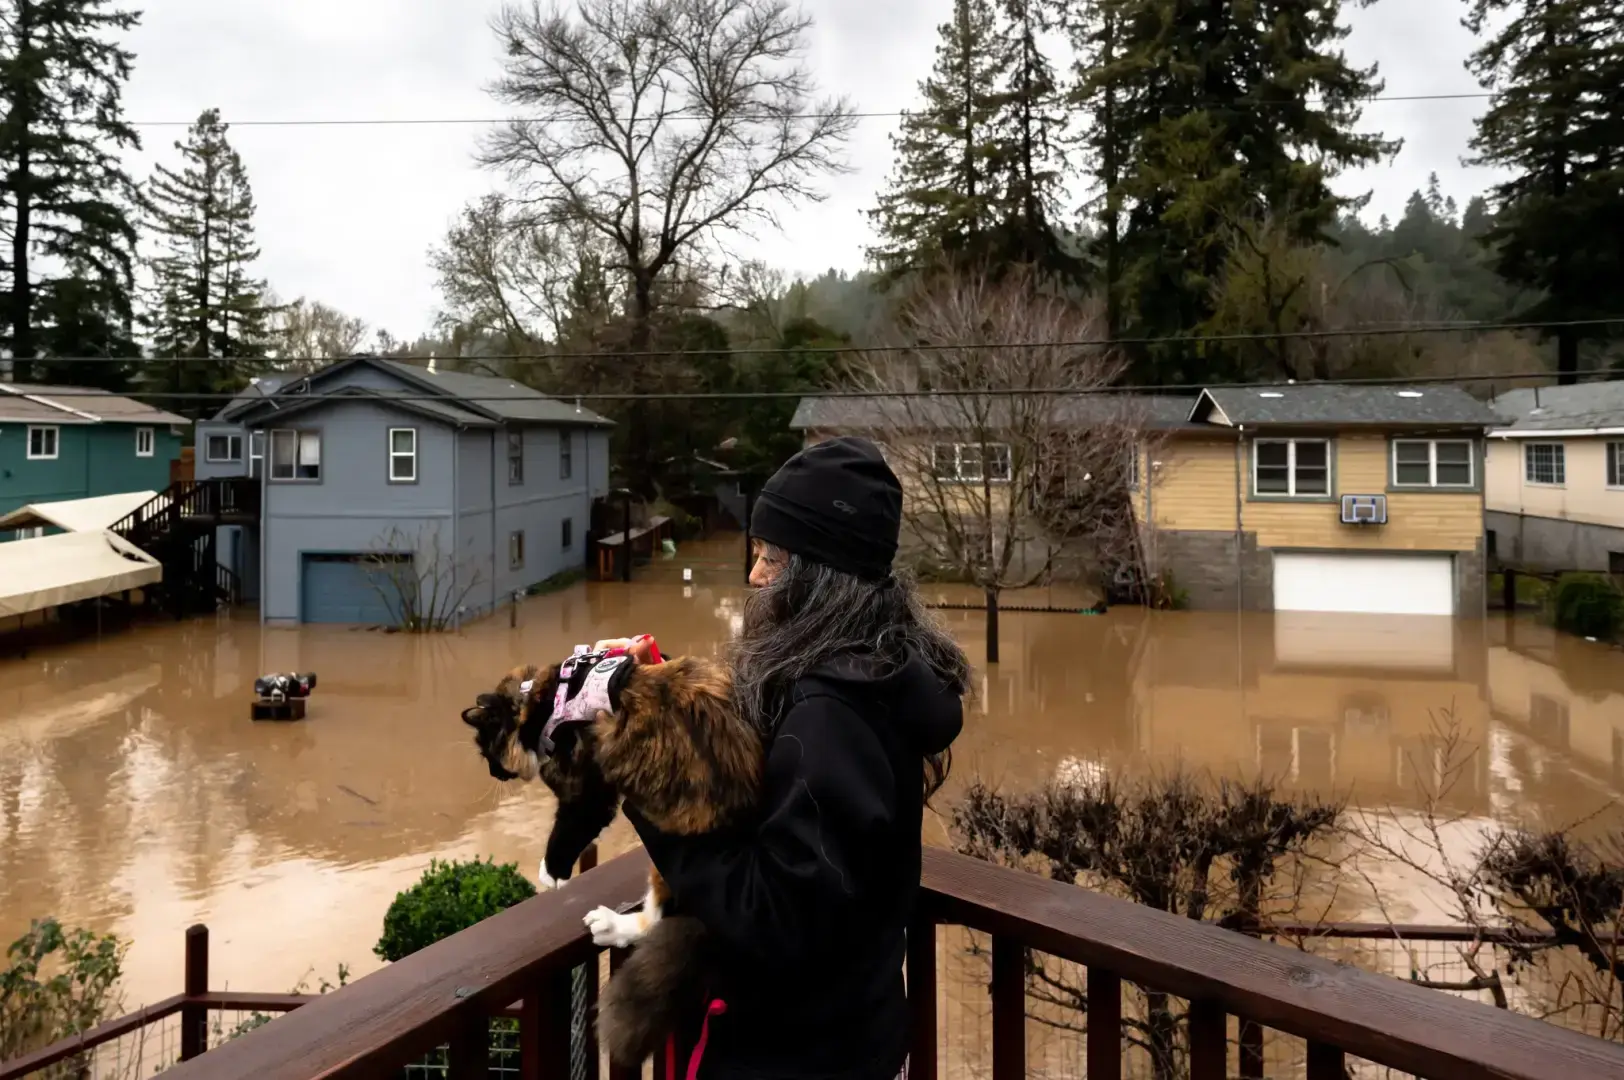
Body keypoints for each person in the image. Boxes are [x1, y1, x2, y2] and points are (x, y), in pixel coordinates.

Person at [595, 436, 970, 1080]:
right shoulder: (874, 674)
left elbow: (774, 920)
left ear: (818, 577)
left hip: (797, 1056)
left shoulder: (830, 715)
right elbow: (799, 838)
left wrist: (650, 773)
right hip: (851, 1034)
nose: (753, 577)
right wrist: (668, 703)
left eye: (770, 558)